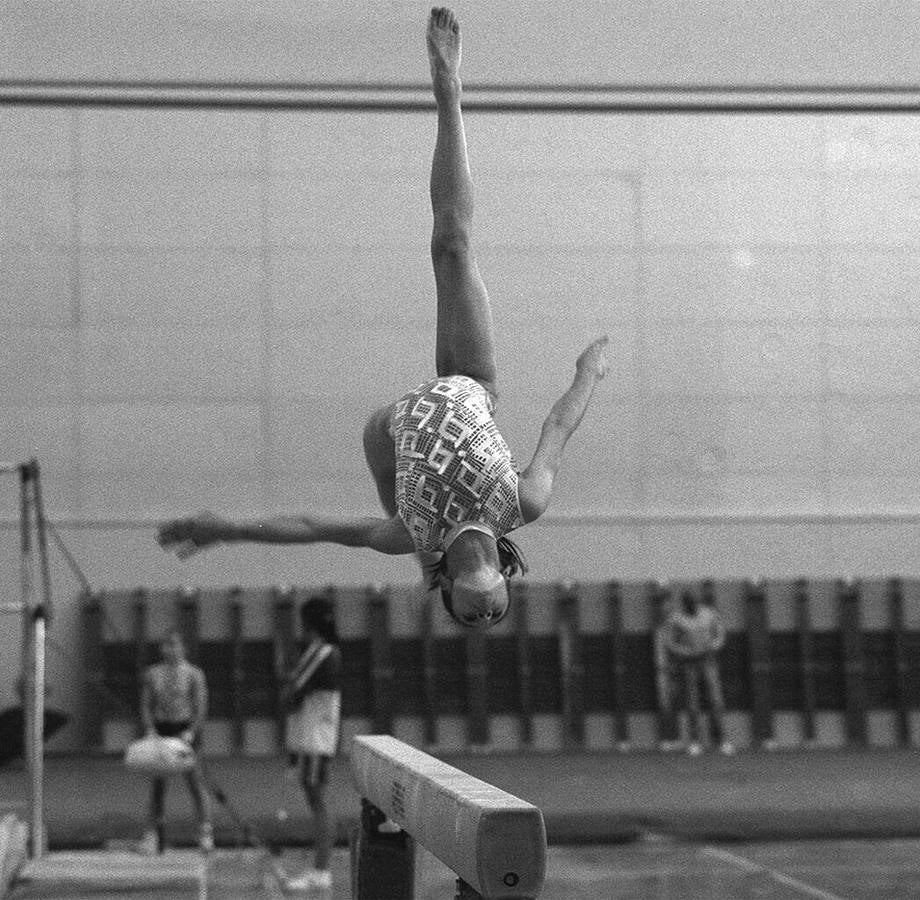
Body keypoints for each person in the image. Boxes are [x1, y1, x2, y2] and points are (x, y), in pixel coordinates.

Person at [156, 7, 609, 631]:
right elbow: (560, 424)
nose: (480, 595)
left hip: (388, 433)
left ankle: (396, 450)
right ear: (504, 573)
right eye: (491, 600)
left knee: (385, 464)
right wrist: (589, 373)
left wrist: (228, 528)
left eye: (466, 603)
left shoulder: (408, 534)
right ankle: (450, 93)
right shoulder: (523, 502)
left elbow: (315, 527)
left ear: (442, 580)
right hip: (470, 381)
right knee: (451, 243)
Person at [279, 597, 342, 893]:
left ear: (308, 624)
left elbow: (292, 695)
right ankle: (320, 867)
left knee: (318, 803)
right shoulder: (320, 653)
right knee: (315, 801)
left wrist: (287, 683)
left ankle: (321, 869)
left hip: (315, 739)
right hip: (311, 738)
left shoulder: (322, 653)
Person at [139, 630, 213, 853]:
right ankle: (153, 834)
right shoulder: (153, 673)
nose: (169, 649)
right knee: (158, 784)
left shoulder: (193, 674)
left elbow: (200, 706)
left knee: (194, 781)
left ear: (183, 648)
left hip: (184, 728)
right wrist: (150, 728)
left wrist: (192, 730)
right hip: (162, 728)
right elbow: (145, 704)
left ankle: (205, 831)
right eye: (166, 645)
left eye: (174, 644)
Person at [665, 590, 734, 756]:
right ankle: (695, 742)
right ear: (684, 604)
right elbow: (669, 642)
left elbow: (720, 634)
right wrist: (684, 652)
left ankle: (722, 740)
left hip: (708, 661)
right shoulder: (676, 619)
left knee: (715, 699)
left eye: (694, 603)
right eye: (689, 603)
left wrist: (714, 646)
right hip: (689, 663)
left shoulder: (709, 614)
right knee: (692, 701)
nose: (692, 606)